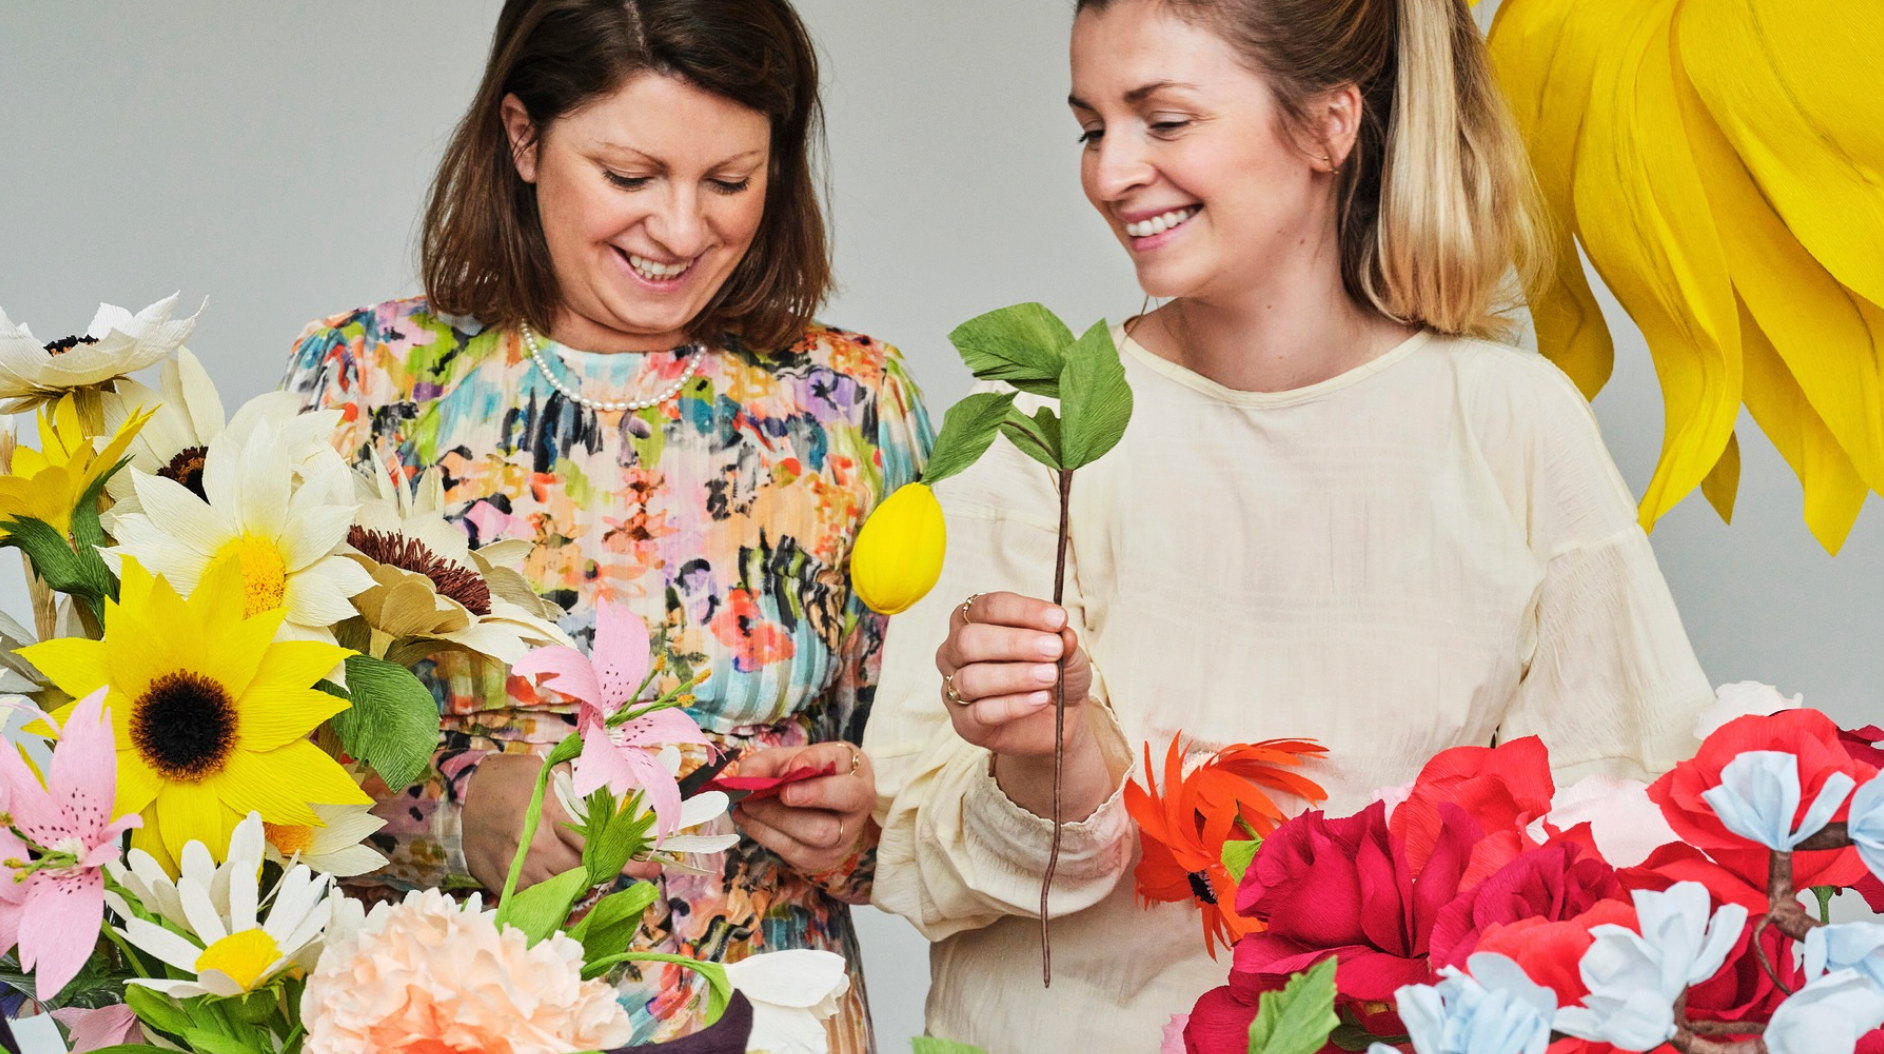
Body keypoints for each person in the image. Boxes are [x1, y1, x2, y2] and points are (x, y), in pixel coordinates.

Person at [865, 0, 1714, 1049]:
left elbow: (1622, 831)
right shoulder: (1040, 429)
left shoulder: (1514, 423)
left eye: (1164, 121)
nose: (1110, 173)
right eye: (1091, 128)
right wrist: (1050, 757)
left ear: (1328, 124)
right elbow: (918, 860)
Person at [282, 1, 929, 1048]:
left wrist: (856, 825)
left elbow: (933, 790)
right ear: (523, 137)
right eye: (631, 177)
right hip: (440, 1025)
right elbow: (255, 761)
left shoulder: (851, 406)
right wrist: (457, 816)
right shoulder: (369, 385)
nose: (681, 230)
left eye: (730, 181)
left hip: (768, 1021)